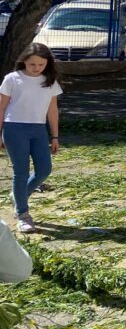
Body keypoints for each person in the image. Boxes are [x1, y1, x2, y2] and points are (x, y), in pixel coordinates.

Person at [0, 43, 61, 233]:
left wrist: (55, 136)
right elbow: (1, 108)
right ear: (24, 61)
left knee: (44, 169)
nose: (37, 68)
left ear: (47, 63)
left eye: (41, 64)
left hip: (38, 130)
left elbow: (52, 110)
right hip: (14, 128)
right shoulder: (12, 79)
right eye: (32, 64)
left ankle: (18, 196)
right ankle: (23, 214)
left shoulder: (49, 81)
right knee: (21, 172)